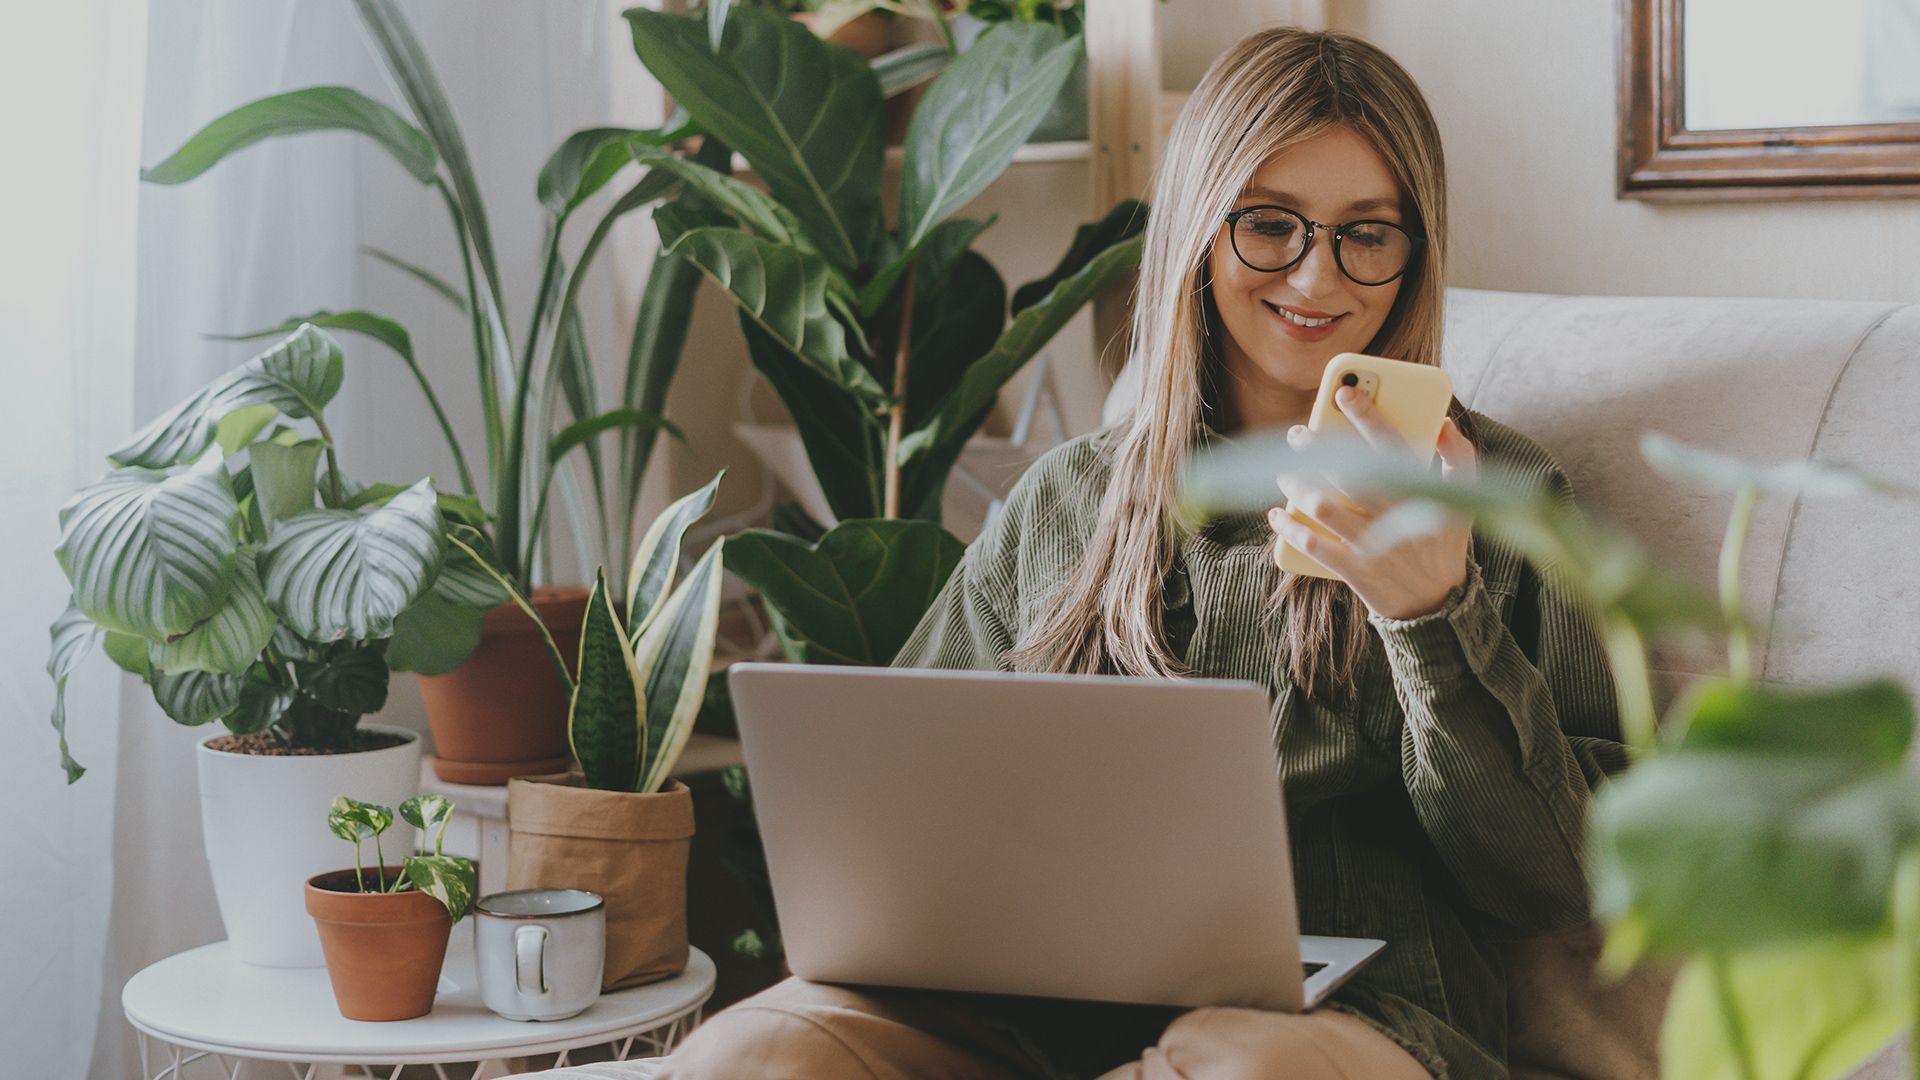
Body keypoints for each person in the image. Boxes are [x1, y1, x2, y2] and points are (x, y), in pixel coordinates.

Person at [658, 25, 1627, 1080]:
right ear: (1200, 232)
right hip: (1034, 1007)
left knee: (1227, 1070)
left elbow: (1563, 883)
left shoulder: (1501, 499)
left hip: (1363, 1021)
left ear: (1416, 250)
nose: (1317, 274)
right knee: (746, 1055)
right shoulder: (1072, 496)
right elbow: (899, 803)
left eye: (1368, 233)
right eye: (1269, 225)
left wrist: (1432, 616)